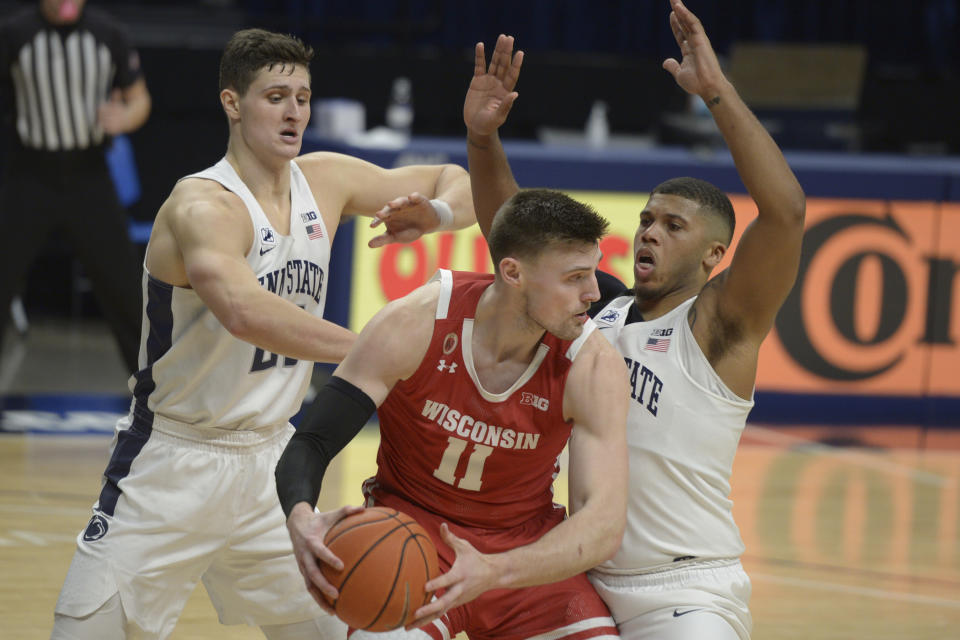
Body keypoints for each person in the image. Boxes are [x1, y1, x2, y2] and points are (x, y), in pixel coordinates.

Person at [50, 27, 475, 640]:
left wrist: (433, 216)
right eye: (276, 96)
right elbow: (245, 312)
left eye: (302, 97)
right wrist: (374, 350)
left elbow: (451, 178)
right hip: (174, 459)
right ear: (232, 102)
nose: (294, 111)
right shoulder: (203, 205)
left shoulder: (325, 179)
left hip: (273, 462)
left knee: (356, 626)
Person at [464, 2, 806, 639]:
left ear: (714, 255)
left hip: (684, 590)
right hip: (578, 581)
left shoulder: (718, 326)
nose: (649, 233)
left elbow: (785, 214)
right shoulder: (600, 312)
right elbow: (515, 237)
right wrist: (483, 140)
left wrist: (717, 94)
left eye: (672, 227)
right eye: (647, 219)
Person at [275, 193, 631, 638]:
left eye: (593, 273)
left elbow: (602, 526)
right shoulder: (415, 323)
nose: (595, 294)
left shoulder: (593, 364)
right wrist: (301, 516)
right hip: (412, 536)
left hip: (522, 552)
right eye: (576, 277)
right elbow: (313, 442)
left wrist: (496, 569)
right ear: (513, 272)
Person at [0, 0, 151, 373]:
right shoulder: (14, 34)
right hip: (30, 175)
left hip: (89, 177)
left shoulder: (108, 33)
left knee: (126, 293)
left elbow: (139, 98)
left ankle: (155, 401)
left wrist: (125, 117)